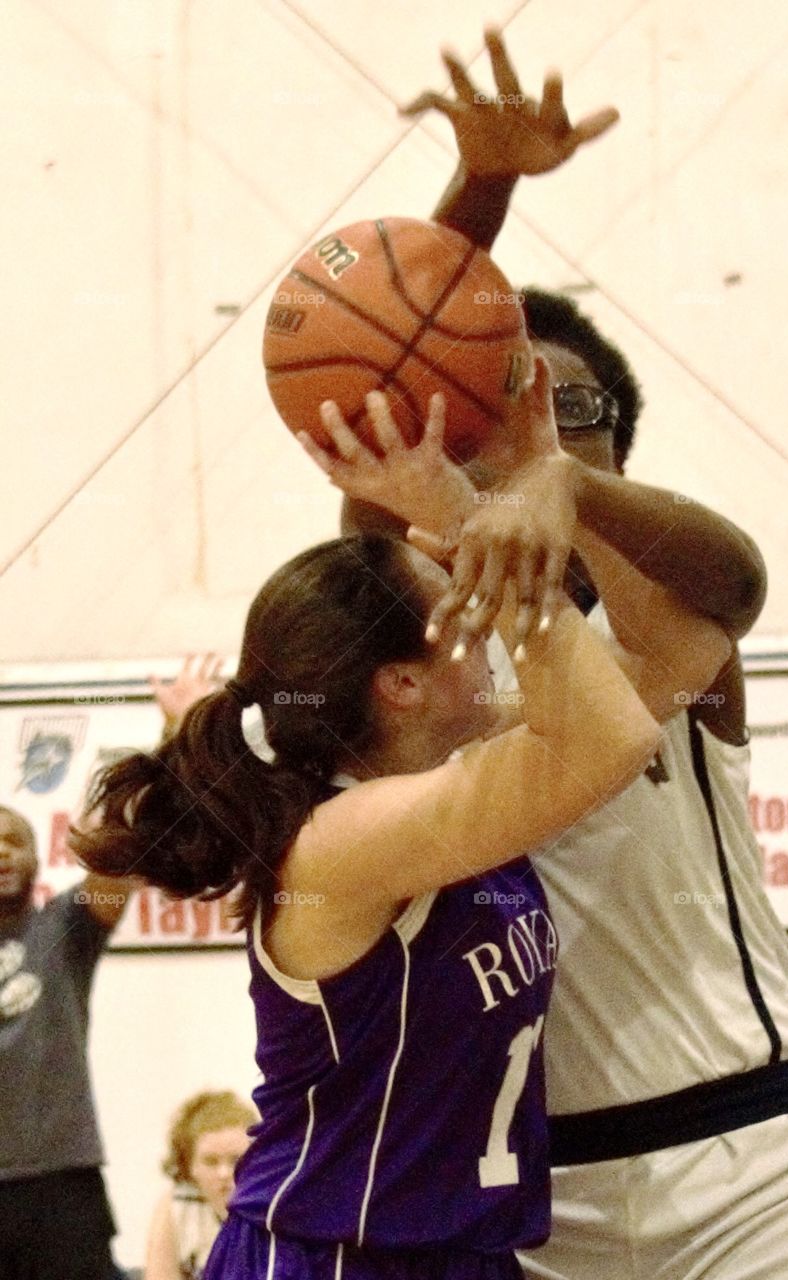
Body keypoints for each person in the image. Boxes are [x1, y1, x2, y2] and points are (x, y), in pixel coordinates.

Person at [332, 28, 788, 1278]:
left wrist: (553, 482)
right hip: (533, 1197)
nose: (528, 441)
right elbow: (386, 379)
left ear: (615, 448)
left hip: (760, 1165)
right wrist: (481, 190)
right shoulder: (428, 640)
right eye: (496, 411)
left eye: (566, 412)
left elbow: (734, 573)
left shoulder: (665, 618)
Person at [70, 373, 731, 1279]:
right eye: (455, 591)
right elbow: (609, 737)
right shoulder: (341, 842)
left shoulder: (442, 778)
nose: (475, 586)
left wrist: (555, 487)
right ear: (405, 683)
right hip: (337, 1258)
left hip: (464, 1256)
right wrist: (466, 517)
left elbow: (688, 644)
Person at [0, 657, 224, 1280]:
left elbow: (128, 843)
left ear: (36, 861)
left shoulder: (65, 928)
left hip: (60, 1181)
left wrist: (176, 737)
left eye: (13, 839)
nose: (0, 852)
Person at [145, 1091, 257, 1280]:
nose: (224, 1173)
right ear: (189, 1165)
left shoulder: (273, 1208)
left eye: (236, 1159)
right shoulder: (176, 1208)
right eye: (210, 1161)